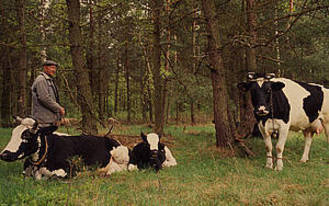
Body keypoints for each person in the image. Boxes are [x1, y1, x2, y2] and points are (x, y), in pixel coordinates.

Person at [31, 60, 65, 133]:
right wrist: (59, 108)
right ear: (45, 68)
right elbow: (44, 98)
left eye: (55, 68)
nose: (54, 70)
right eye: (52, 68)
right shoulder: (41, 80)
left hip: (48, 120)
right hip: (43, 121)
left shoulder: (49, 80)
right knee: (44, 141)